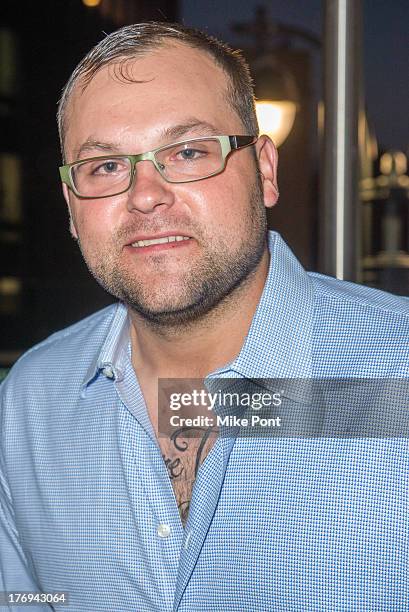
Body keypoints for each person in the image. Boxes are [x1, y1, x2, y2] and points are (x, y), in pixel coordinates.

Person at [0, 22, 408, 612]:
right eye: (106, 167)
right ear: (70, 205)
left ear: (265, 171)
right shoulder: (30, 404)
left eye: (188, 153)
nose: (145, 194)